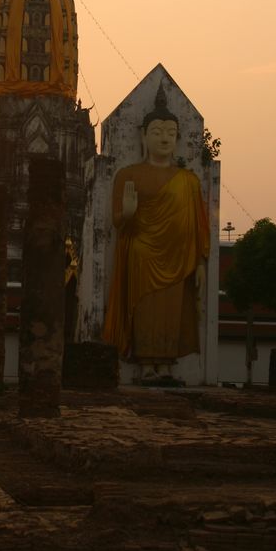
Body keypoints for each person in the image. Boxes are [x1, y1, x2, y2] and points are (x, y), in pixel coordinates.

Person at [103, 85, 209, 368]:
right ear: (143, 135)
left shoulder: (189, 181)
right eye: (157, 132)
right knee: (144, 310)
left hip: (179, 259)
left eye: (171, 133)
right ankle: (145, 362)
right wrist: (126, 213)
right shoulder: (129, 174)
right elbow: (117, 220)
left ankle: (166, 363)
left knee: (173, 313)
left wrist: (199, 262)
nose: (164, 138)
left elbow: (198, 225)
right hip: (141, 256)